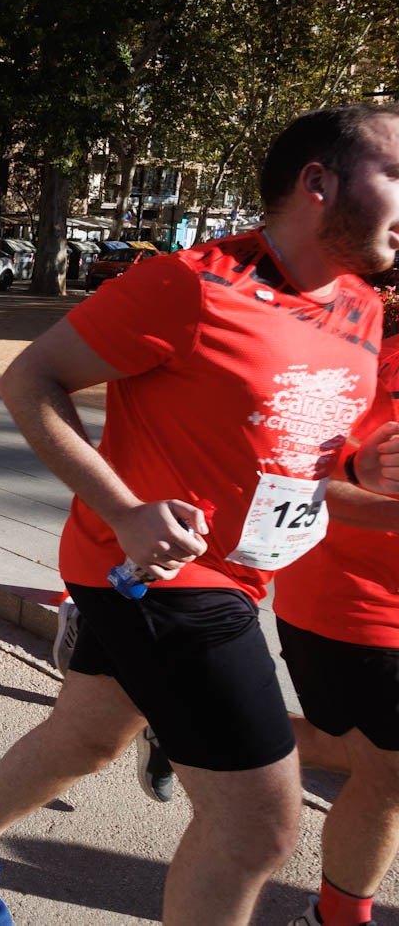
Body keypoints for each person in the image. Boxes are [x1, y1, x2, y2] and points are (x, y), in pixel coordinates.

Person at [0, 103, 399, 926]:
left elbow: (303, 472)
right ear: (319, 182)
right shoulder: (190, 284)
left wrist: (363, 475)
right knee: (258, 824)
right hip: (162, 575)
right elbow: (29, 379)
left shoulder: (362, 306)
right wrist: (127, 510)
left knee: (88, 739)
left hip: (242, 571)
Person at [273, 275, 399, 926]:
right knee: (388, 769)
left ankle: (193, 726)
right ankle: (338, 919)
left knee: (354, 747)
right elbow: (287, 451)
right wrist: (358, 466)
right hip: (351, 593)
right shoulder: (358, 331)